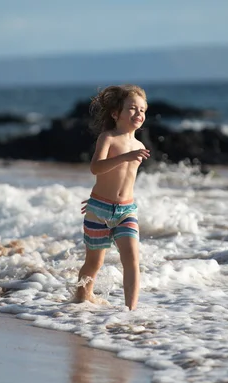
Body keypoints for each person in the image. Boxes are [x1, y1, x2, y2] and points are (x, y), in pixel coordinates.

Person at [74, 84, 150, 310]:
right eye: (133, 109)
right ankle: (79, 302)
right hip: (99, 211)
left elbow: (123, 180)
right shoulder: (108, 137)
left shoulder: (139, 145)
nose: (139, 114)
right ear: (116, 113)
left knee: (132, 261)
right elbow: (96, 168)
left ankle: (130, 312)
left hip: (126, 210)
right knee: (94, 263)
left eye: (143, 110)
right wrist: (126, 157)